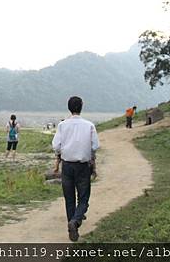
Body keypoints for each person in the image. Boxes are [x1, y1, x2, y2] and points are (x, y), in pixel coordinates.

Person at [52, 96, 99, 242]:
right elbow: (95, 146)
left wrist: (62, 154)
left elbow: (56, 146)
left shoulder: (62, 125)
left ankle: (72, 226)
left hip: (67, 166)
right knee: (83, 198)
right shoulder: (89, 125)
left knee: (69, 198)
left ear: (69, 108)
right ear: (81, 107)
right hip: (83, 166)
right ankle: (75, 222)